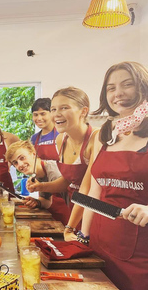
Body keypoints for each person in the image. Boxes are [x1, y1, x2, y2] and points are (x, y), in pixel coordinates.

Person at [79, 62, 148, 290]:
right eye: (111, 88)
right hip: (101, 246)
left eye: (128, 85)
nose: (118, 94)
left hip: (147, 256)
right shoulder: (103, 136)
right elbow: (95, 195)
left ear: (144, 89)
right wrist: (83, 237)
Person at [27, 87, 98, 226]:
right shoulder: (61, 140)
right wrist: (40, 187)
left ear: (83, 111)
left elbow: (87, 189)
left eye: (64, 108)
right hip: (72, 207)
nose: (56, 114)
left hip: (93, 213)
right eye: (53, 109)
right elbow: (67, 181)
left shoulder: (97, 138)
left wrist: (70, 226)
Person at [5, 140, 67, 209]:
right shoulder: (38, 175)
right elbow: (47, 201)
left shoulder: (54, 172)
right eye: (15, 163)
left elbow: (73, 200)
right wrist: (37, 202)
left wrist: (41, 187)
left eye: (22, 158)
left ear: (33, 154)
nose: (20, 164)